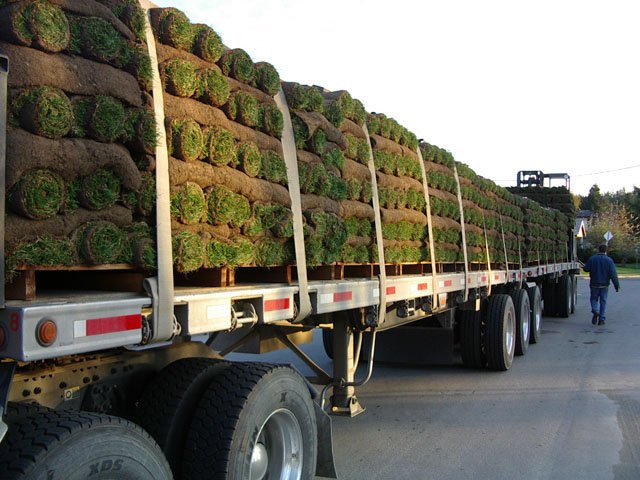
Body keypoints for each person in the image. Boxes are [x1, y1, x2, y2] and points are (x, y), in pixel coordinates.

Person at [583, 244, 620, 325]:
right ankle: (602, 319)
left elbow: (586, 269)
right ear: (605, 251)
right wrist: (616, 285)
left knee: (594, 299)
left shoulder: (592, 259)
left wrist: (584, 266)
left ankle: (595, 311)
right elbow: (613, 274)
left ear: (598, 250)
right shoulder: (609, 260)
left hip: (594, 283)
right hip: (605, 285)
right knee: (603, 301)